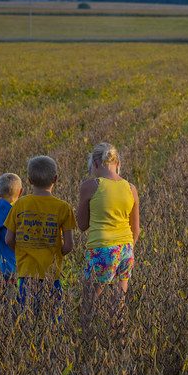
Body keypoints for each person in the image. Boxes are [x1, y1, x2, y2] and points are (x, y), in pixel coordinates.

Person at [77, 143, 140, 334]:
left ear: (96, 163)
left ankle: (85, 337)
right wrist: (124, 247)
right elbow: (135, 229)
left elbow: (82, 225)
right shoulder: (131, 188)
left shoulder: (90, 186)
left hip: (102, 248)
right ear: (117, 163)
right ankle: (118, 339)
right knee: (118, 301)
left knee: (90, 299)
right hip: (126, 248)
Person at [4, 155, 76, 311]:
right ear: (55, 179)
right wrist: (55, 254)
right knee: (52, 317)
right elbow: (69, 245)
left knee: (27, 315)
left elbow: (8, 239)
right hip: (52, 274)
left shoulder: (20, 204)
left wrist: (23, 250)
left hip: (26, 273)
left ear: (29, 180)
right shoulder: (63, 207)